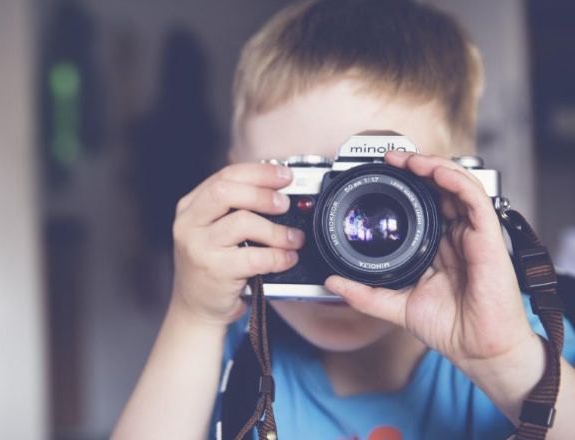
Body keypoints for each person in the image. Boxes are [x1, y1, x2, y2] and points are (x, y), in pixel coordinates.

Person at [112, 1, 575, 439]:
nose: (341, 241)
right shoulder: (230, 351)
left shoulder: (521, 339)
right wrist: (193, 316)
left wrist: (508, 365)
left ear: (457, 190)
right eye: (308, 193)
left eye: (382, 196)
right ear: (235, 188)